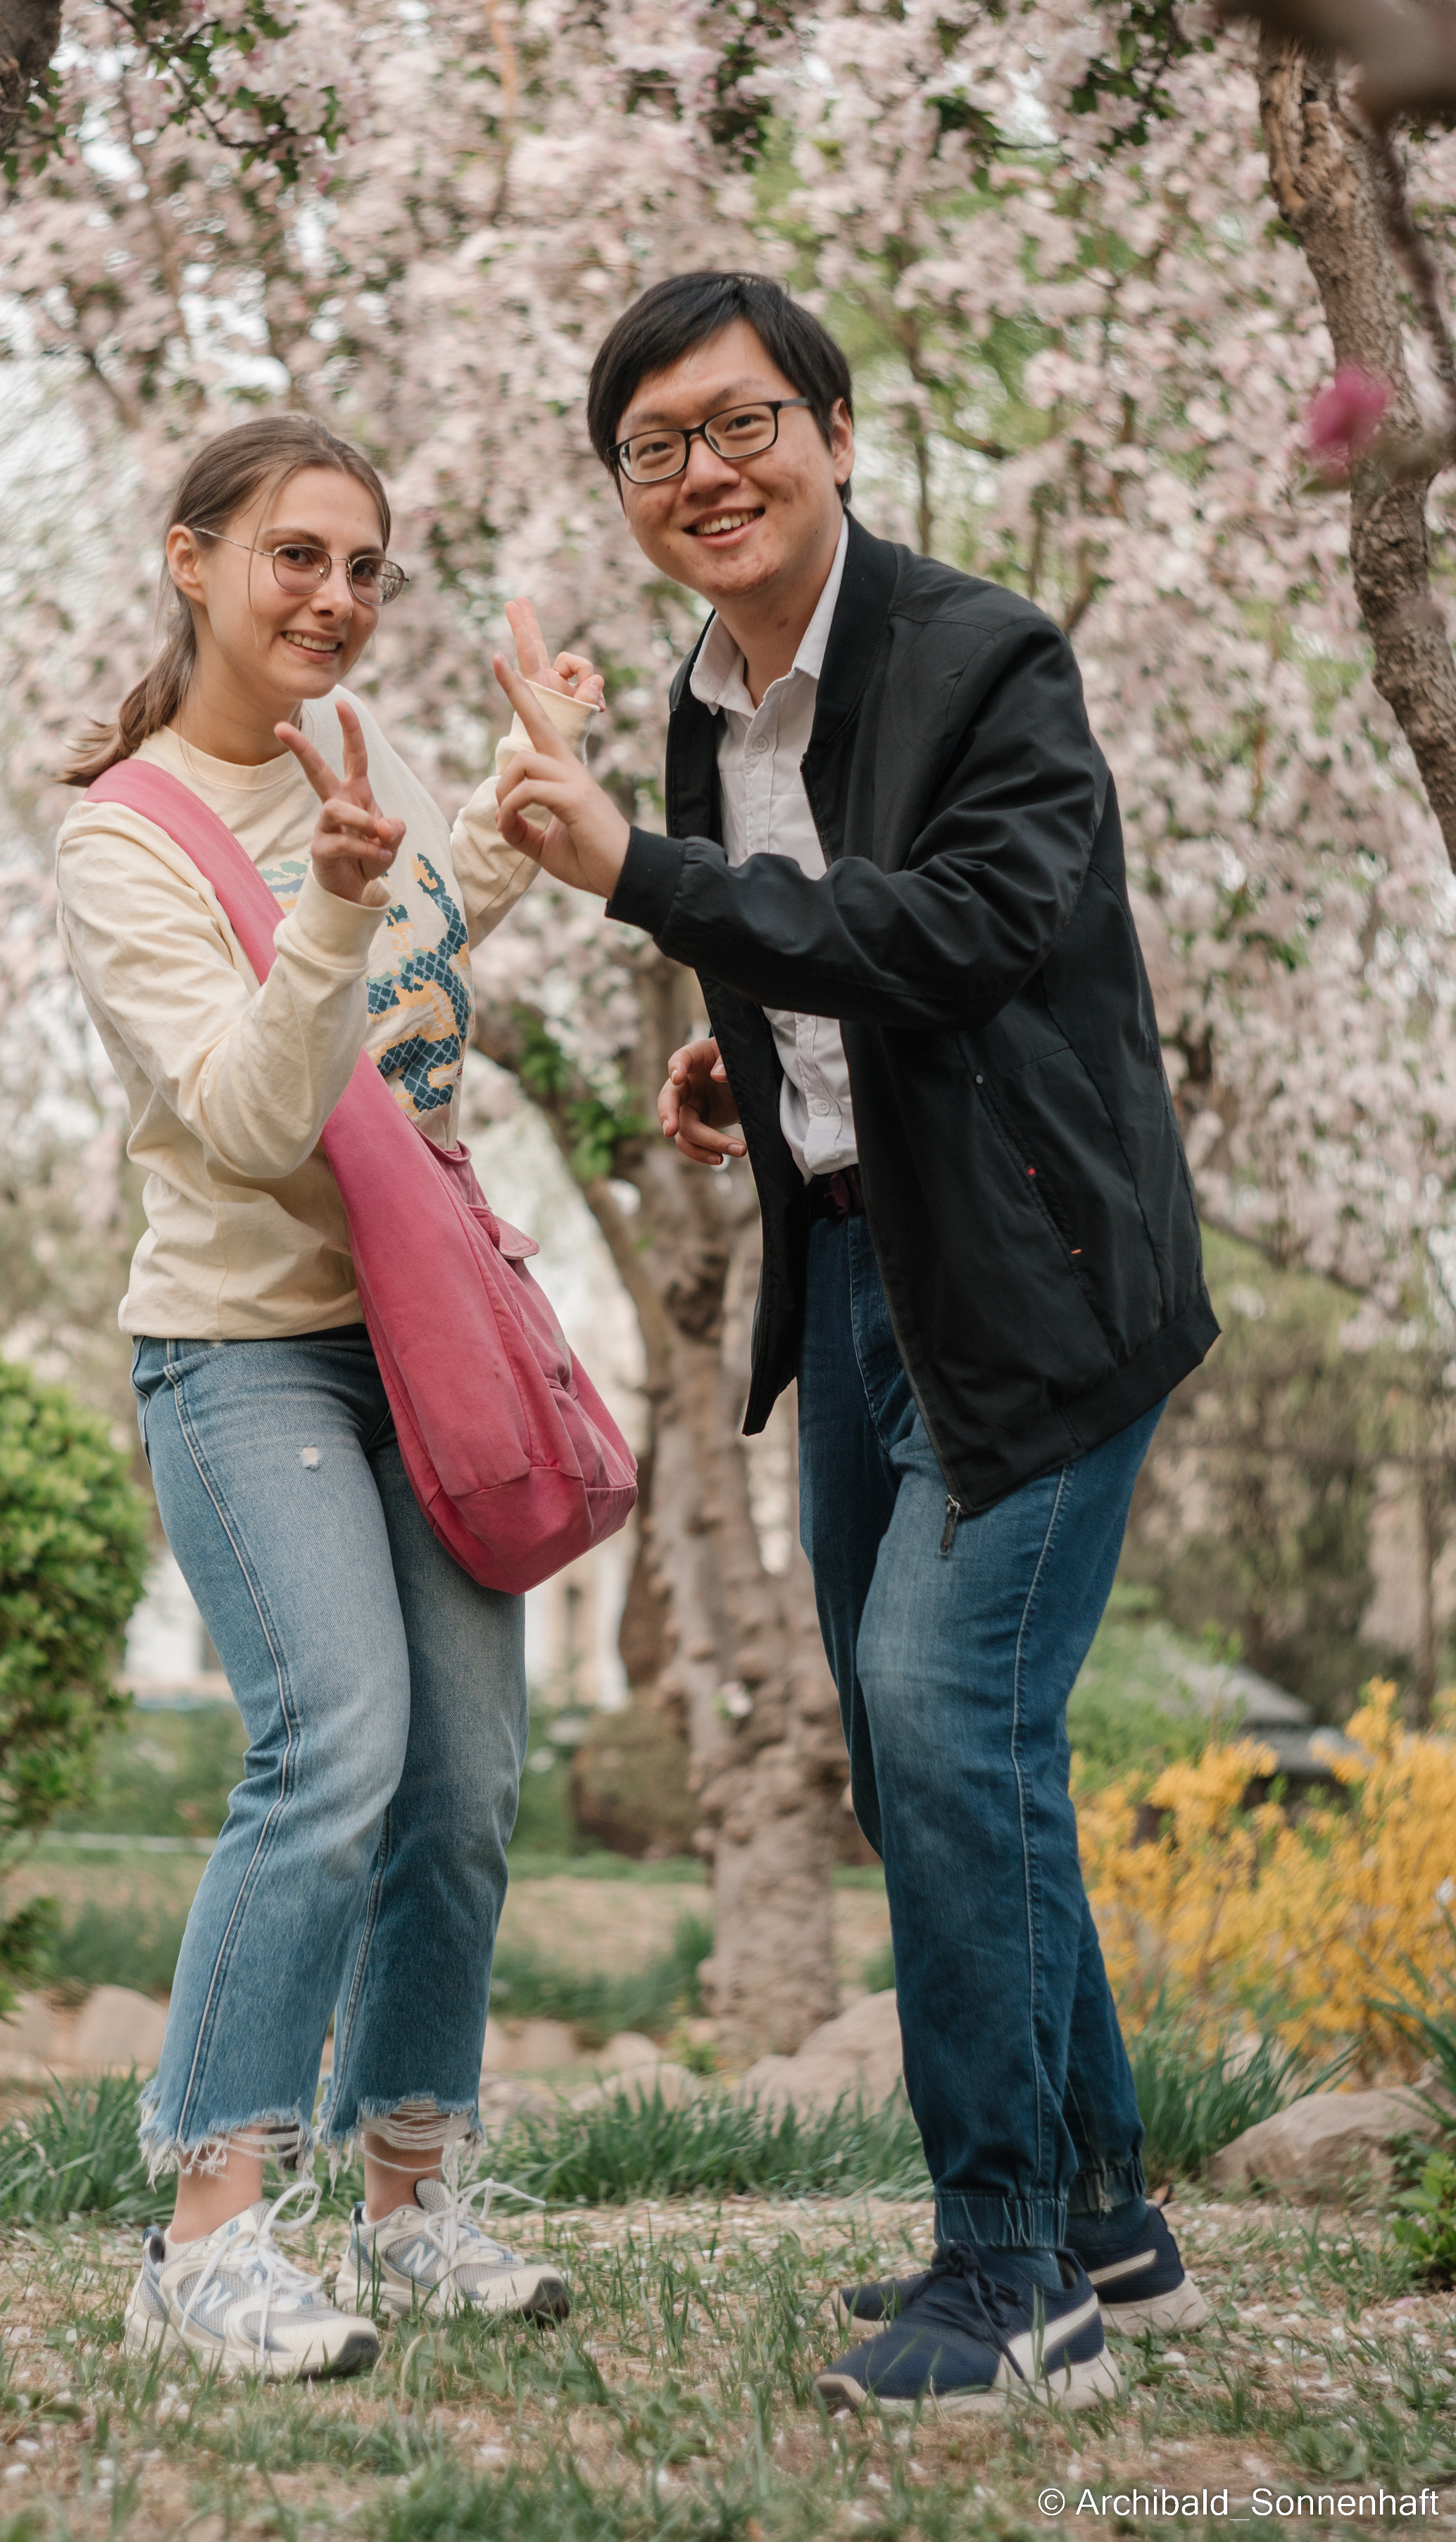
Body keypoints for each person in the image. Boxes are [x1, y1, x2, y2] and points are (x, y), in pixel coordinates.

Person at [489, 271, 1219, 2417]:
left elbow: (970, 932)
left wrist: (642, 878)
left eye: (743, 424)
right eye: (654, 448)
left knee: (937, 1712)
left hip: (1037, 1289)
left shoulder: (988, 655)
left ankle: (1011, 2288)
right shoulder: (706, 704)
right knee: (937, 1765)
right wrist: (765, 1071)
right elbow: (832, 959)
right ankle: (1105, 2220)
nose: (704, 474)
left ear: (830, 430)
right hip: (850, 1267)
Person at [56, 414, 596, 2380]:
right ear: (192, 558)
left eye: (367, 567)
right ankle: (203, 2236)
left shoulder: (353, 767)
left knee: (465, 1785)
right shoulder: (126, 838)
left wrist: (528, 781)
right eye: (298, 554)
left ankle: (410, 2201)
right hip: (242, 1351)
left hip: (420, 1351)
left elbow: (428, 942)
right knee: (335, 1751)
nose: (338, 598)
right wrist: (340, 912)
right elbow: (250, 1113)